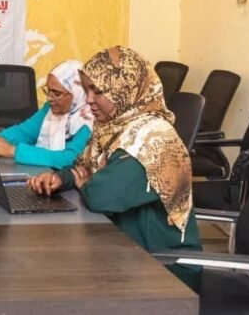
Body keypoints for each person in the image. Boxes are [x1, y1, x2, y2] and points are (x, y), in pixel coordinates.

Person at [27, 46, 201, 290]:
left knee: (55, 278)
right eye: (87, 89)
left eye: (98, 91)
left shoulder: (154, 139)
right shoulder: (112, 127)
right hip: (124, 249)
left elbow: (102, 196)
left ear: (125, 89)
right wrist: (60, 179)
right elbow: (82, 167)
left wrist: (86, 181)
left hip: (164, 268)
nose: (88, 99)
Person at [0, 60, 92, 169]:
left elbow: (70, 159)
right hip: (45, 174)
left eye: (57, 93)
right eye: (48, 90)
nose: (49, 98)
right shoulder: (50, 108)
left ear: (77, 93)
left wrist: (12, 151)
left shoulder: (87, 120)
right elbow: (24, 132)